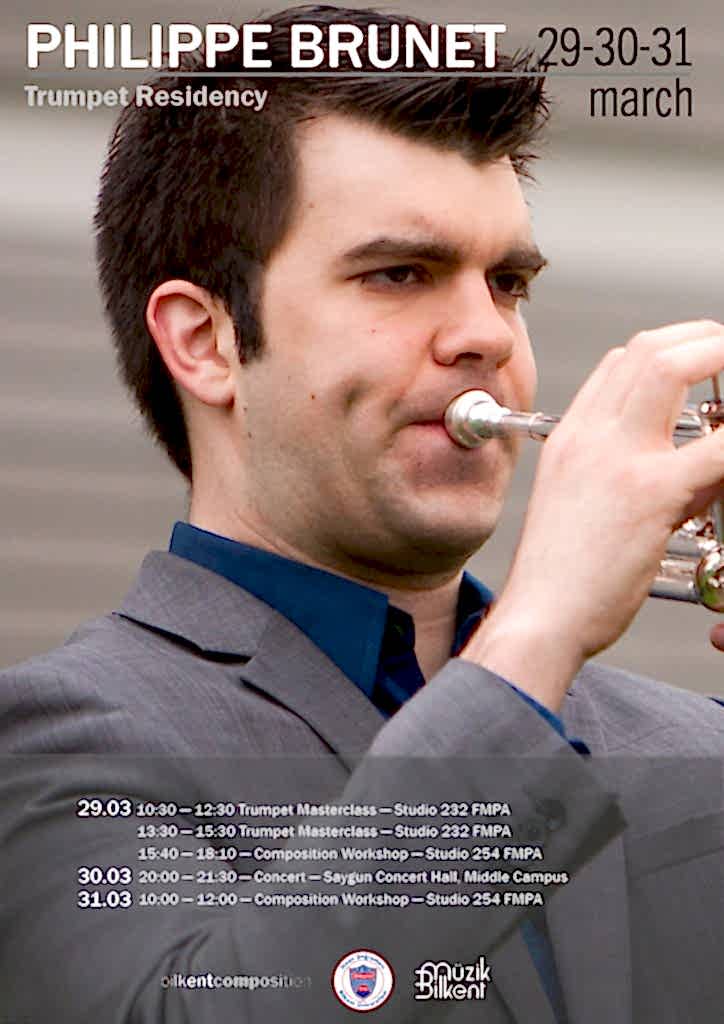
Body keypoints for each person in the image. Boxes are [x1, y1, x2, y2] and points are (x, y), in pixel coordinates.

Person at [1, 6, 723, 1022]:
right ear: (205, 341)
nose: (486, 333)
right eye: (399, 274)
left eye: (507, 282)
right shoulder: (63, 742)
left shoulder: (694, 742)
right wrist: (539, 633)